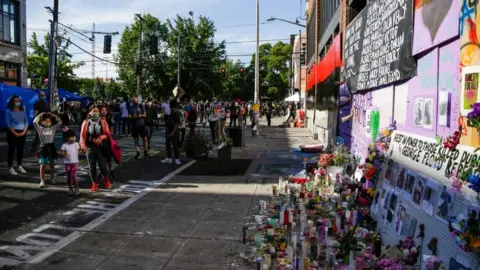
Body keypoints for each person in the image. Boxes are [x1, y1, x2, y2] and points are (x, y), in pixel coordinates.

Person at [80, 105, 112, 192]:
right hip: (90, 147)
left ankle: (105, 178)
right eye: (94, 111)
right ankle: (94, 184)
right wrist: (83, 146)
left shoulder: (103, 122)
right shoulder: (85, 122)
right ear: (90, 112)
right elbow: (82, 136)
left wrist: (102, 137)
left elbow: (107, 133)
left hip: (100, 147)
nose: (95, 113)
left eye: (97, 111)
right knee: (91, 167)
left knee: (103, 166)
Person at [33, 112, 62, 188]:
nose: (47, 122)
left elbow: (60, 122)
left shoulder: (53, 128)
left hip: (51, 147)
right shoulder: (40, 129)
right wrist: (40, 115)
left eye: (49, 121)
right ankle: (42, 181)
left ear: (51, 122)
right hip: (43, 147)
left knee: (52, 164)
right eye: (45, 121)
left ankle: (52, 178)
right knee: (43, 164)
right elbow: (34, 122)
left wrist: (53, 115)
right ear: (42, 122)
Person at [5, 95, 28, 175]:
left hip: (22, 132)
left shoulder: (23, 110)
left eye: (18, 101)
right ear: (12, 102)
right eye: (16, 101)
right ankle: (10, 167)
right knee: (11, 150)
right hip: (12, 133)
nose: (17, 102)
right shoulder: (8, 111)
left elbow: (26, 122)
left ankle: (19, 165)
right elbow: (8, 123)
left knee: (20, 150)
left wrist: (24, 131)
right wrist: (14, 132)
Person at [60, 128, 80, 195]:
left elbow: (79, 151)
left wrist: (83, 150)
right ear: (67, 138)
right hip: (67, 163)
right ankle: (70, 188)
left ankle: (76, 188)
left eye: (74, 137)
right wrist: (63, 154)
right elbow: (61, 153)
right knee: (69, 176)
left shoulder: (76, 144)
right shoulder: (65, 145)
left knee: (73, 175)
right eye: (71, 137)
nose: (73, 138)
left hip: (75, 162)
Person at [161, 99, 181, 164]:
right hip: (169, 129)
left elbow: (177, 124)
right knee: (167, 144)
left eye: (170, 104)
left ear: (172, 105)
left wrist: (173, 132)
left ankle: (177, 158)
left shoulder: (176, 112)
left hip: (174, 131)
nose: (169, 105)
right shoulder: (171, 112)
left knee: (175, 145)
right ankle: (169, 158)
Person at [100, 106, 116, 178]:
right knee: (100, 157)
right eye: (102, 110)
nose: (103, 111)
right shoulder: (97, 120)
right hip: (99, 141)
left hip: (107, 141)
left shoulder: (109, 120)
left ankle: (110, 170)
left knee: (108, 157)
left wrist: (106, 135)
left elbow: (111, 131)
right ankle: (102, 172)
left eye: (105, 110)